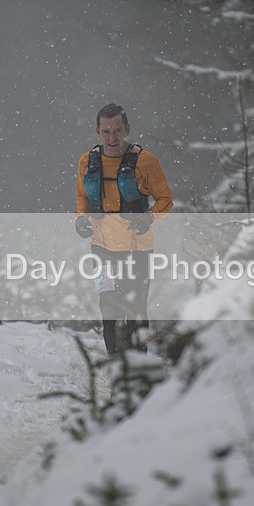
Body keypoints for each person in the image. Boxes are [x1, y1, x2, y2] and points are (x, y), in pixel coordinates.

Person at [74, 103, 173, 355]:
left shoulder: (145, 161)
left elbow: (165, 200)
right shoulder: (87, 162)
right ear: (97, 131)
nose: (112, 138)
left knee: (136, 311)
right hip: (101, 249)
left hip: (137, 249)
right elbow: (82, 201)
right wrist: (80, 222)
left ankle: (139, 375)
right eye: (106, 131)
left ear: (127, 129)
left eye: (117, 131)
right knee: (109, 310)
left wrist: (149, 218)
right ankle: (119, 373)